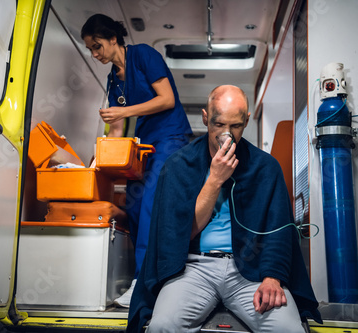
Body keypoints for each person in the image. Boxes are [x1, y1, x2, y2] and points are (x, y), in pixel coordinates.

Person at [127, 85, 322, 332]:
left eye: (236, 126)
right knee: (162, 326)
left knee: (289, 329)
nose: (227, 135)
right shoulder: (178, 165)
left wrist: (272, 277)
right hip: (194, 268)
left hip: (251, 272)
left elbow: (278, 229)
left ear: (246, 121)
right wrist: (215, 179)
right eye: (219, 125)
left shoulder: (266, 168)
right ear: (206, 118)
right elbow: (179, 235)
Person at [81, 14, 192, 307]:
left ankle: (143, 285)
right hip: (143, 145)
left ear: (113, 38)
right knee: (132, 203)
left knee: (150, 205)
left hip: (170, 137)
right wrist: (99, 161)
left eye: (97, 46)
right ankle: (142, 279)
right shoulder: (112, 79)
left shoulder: (144, 55)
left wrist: (123, 113)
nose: (95, 54)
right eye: (90, 50)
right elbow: (116, 128)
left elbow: (167, 99)